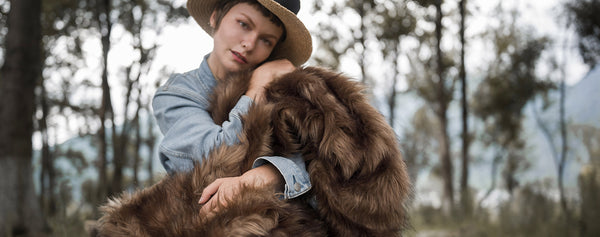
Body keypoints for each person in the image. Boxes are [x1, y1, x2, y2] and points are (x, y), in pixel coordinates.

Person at [152, 0, 312, 217]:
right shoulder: (178, 93)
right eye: (244, 24)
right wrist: (257, 86)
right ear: (215, 17)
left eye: (266, 40)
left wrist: (264, 176)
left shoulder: (283, 95)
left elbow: (318, 165)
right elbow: (213, 163)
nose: (249, 43)